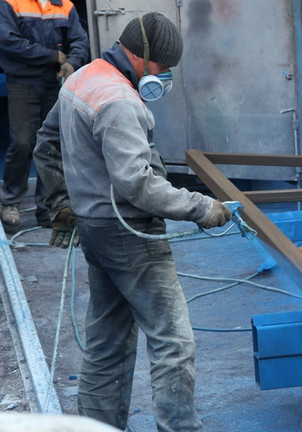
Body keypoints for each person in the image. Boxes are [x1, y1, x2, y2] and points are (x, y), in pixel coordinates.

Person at [34, 12, 231, 432]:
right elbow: (137, 184)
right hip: (129, 235)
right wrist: (201, 207)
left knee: (107, 342)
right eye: (164, 66)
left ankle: (96, 426)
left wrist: (61, 202)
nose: (165, 76)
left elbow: (46, 144)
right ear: (142, 56)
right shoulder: (119, 101)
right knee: (173, 341)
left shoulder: (83, 78)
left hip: (95, 230)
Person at [0, 0, 88, 227]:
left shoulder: (65, 5)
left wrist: (72, 62)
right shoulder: (10, 3)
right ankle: (10, 201)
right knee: (22, 143)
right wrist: (52, 56)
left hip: (54, 83)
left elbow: (80, 40)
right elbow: (7, 41)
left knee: (51, 145)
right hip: (23, 82)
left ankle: (49, 208)